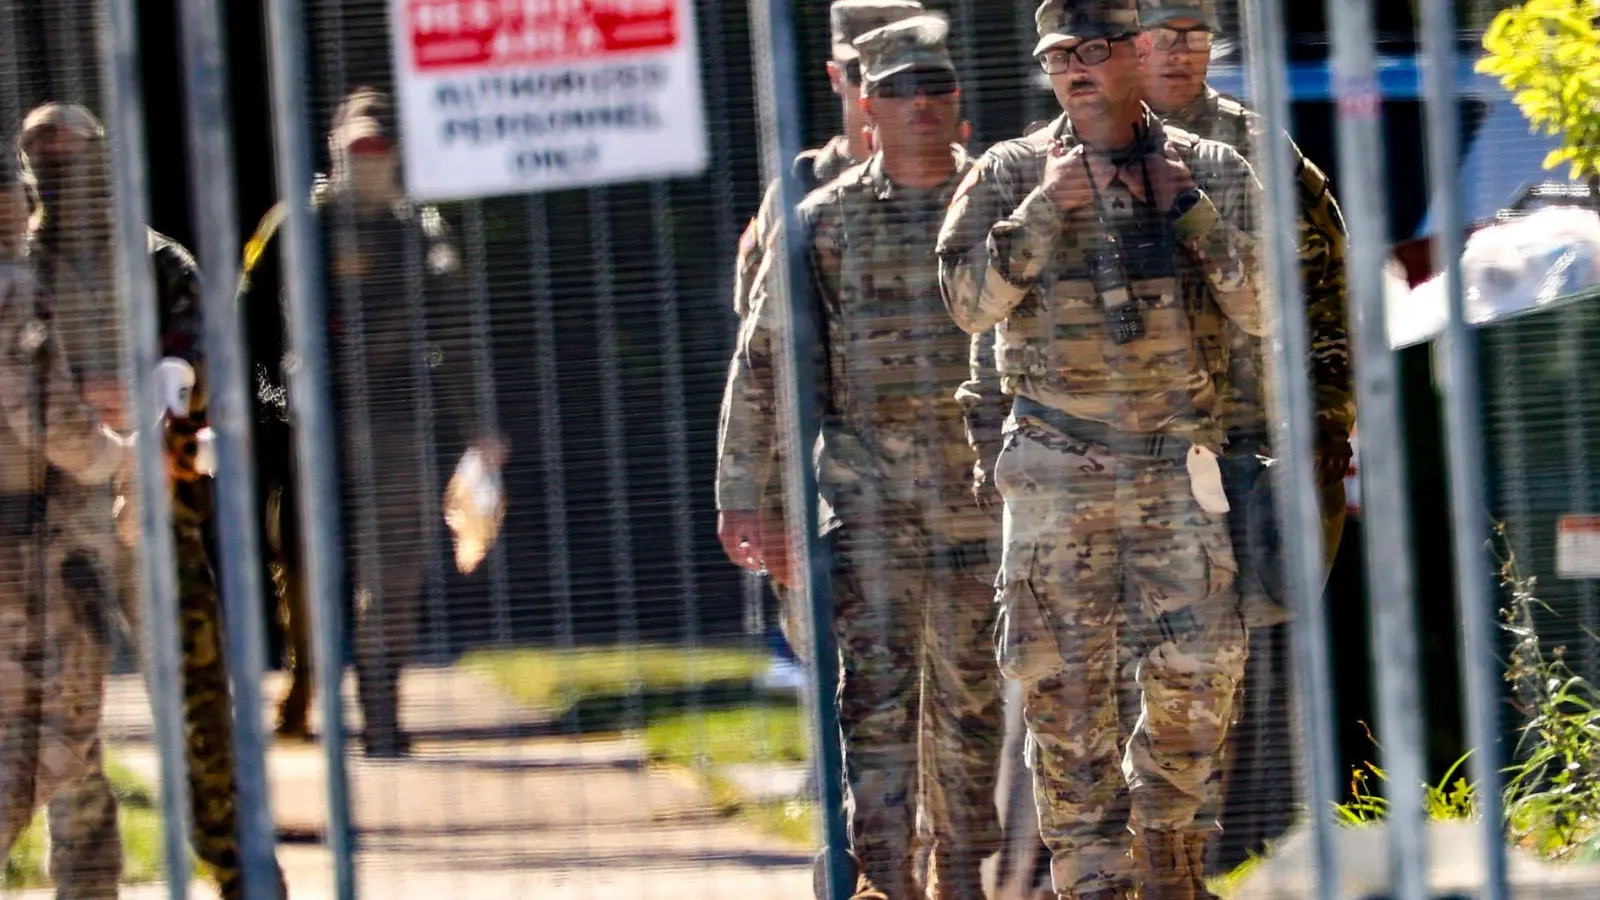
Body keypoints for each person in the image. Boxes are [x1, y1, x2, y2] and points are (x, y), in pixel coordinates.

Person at [935, 0, 1264, 895]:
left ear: (1138, 53)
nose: (1075, 68)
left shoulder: (1211, 168)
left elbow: (1267, 304)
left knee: (1200, 674)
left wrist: (1185, 209)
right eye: (1058, 56)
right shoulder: (1007, 172)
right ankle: (1090, 882)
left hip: (1176, 470)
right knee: (1064, 698)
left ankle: (1171, 863)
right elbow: (966, 302)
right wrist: (1047, 210)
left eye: (1094, 50)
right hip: (1054, 470)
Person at [719, 16, 1003, 898]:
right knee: (874, 718)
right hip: (870, 514)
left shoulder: (1003, 206)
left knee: (971, 718)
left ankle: (958, 874)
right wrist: (748, 496)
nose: (921, 105)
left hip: (985, 514)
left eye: (937, 88)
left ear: (959, 104)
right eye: (899, 90)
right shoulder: (821, 225)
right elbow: (767, 364)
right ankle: (881, 880)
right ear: (866, 107)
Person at [17, 101, 286, 900]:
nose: (63, 177)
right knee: (72, 728)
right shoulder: (17, 270)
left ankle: (238, 869)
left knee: (200, 700)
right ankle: (89, 885)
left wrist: (151, 397)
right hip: (53, 532)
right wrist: (67, 402)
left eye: (75, 159)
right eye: (46, 161)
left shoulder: (158, 262)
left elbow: (200, 352)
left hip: (153, 517)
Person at [1134, 0, 1355, 871]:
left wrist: (1328, 422)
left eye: (1194, 34)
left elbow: (1325, 295)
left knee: (1249, 658)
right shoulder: (1073, 151)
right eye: (1156, 35)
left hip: (1246, 449)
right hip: (1125, 458)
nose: (1177, 51)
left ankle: (1248, 857)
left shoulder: (1262, 154)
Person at [247, 86, 502, 758]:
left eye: (379, 149)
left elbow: (455, 333)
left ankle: (381, 712)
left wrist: (479, 425)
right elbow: (249, 326)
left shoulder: (419, 231)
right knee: (303, 569)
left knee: (394, 572)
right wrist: (270, 408)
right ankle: (303, 690)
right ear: (336, 152)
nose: (367, 161)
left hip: (394, 415)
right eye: (356, 149)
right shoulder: (296, 225)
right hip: (309, 425)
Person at [723, 0, 925, 687]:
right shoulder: (801, 196)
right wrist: (763, 503)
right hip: (836, 503)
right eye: (873, 75)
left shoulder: (971, 181)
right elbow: (762, 367)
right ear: (838, 76)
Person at [0, 133, 137, 900]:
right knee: (57, 736)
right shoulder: (14, 288)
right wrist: (122, 458)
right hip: (20, 553)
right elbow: (46, 419)